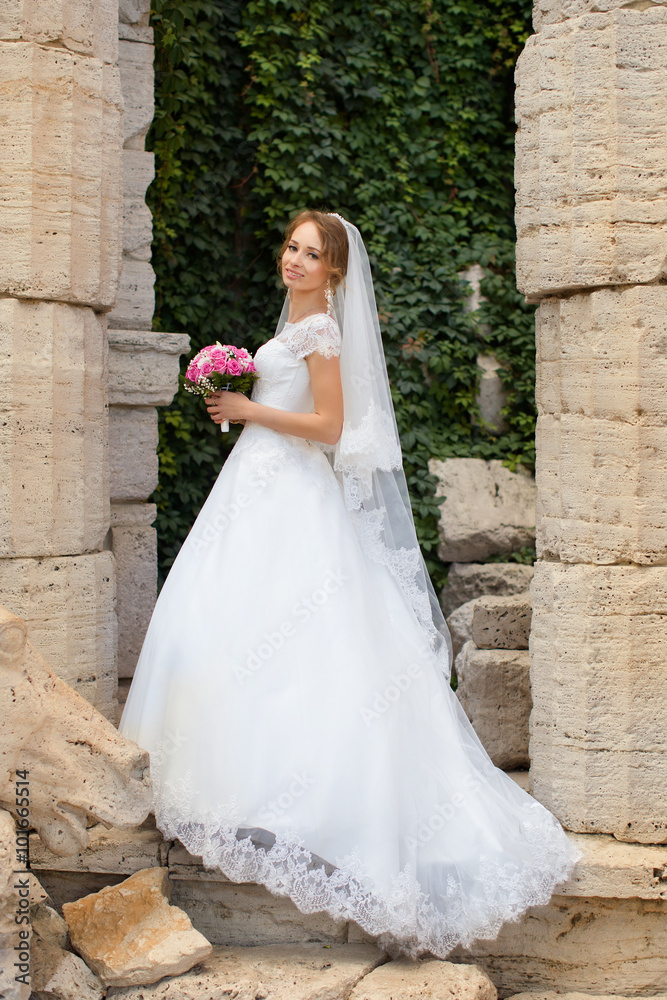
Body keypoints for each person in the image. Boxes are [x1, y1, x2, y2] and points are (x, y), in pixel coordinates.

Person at [119, 210, 581, 959]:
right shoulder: (290, 324)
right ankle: (228, 785)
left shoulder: (322, 332)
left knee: (302, 647)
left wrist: (247, 407)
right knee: (221, 629)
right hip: (254, 488)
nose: (295, 260)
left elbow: (332, 426)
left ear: (336, 270)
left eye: (312, 253)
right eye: (292, 247)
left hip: (293, 495)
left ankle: (309, 804)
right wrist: (237, 399)